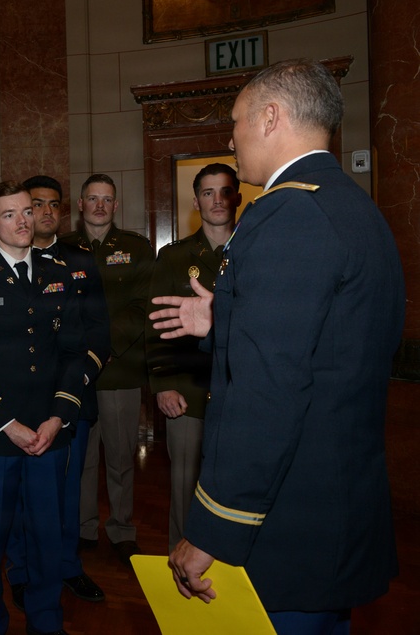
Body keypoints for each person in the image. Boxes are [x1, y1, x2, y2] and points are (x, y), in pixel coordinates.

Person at [152, 59, 404, 634]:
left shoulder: (287, 215)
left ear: (270, 117)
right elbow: (335, 343)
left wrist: (214, 528)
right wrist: (223, 319)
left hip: (287, 522)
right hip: (335, 505)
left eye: (237, 121)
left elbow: (268, 391)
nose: (231, 138)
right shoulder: (352, 206)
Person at [0, 180, 87, 635]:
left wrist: (57, 416)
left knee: (47, 534)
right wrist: (7, 424)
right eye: (10, 214)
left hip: (49, 431)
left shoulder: (58, 274)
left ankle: (47, 622)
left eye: (27, 211)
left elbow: (74, 351)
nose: (23, 221)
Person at [4, 175, 110, 609]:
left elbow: (98, 333)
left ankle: (66, 565)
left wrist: (72, 389)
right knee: (17, 489)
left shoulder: (79, 262)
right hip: (17, 405)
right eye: (36, 205)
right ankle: (21, 569)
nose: (45, 213)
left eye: (52, 205)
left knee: (67, 490)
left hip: (70, 401)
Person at [145, 163, 240, 552]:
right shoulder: (173, 257)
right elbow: (156, 327)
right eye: (207, 192)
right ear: (196, 200)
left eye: (224, 191)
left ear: (236, 197)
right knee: (185, 488)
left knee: (237, 490)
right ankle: (178, 570)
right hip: (188, 393)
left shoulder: (256, 250)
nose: (217, 200)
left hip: (242, 395)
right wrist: (163, 385)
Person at [61, 174, 153, 565]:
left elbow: (142, 304)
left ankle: (121, 527)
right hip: (74, 374)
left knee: (119, 457)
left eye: (107, 199)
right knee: (81, 458)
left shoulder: (135, 248)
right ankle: (83, 526)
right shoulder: (60, 248)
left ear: (116, 206)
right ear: (80, 204)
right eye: (92, 198)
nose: (100, 205)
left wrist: (105, 347)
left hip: (118, 369)